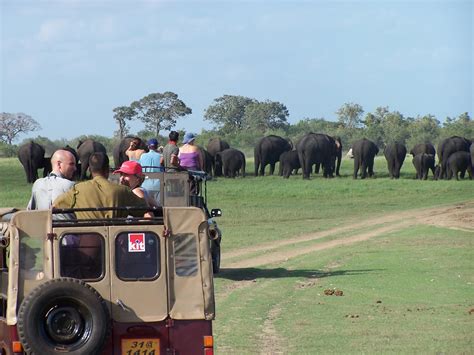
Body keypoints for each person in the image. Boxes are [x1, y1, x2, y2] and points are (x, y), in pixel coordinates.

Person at [53, 152, 148, 219]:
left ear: (89, 170)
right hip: (116, 241)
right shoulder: (123, 191)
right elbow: (144, 209)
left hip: (87, 244)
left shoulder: (77, 190)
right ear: (107, 169)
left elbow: (56, 206)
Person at [139, 138, 163, 203]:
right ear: (157, 146)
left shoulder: (142, 156)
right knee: (158, 207)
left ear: (148, 146)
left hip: (145, 185)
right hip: (158, 185)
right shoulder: (161, 156)